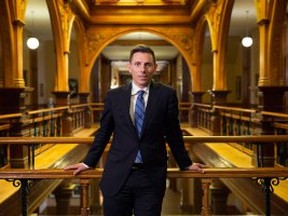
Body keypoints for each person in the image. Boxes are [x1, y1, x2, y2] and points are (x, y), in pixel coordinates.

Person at [64, 44, 205, 216]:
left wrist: (186, 163)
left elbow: (173, 132)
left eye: (147, 64)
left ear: (154, 68)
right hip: (118, 176)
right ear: (129, 67)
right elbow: (104, 132)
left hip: (150, 177)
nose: (142, 69)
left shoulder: (166, 95)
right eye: (137, 64)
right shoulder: (114, 96)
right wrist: (88, 162)